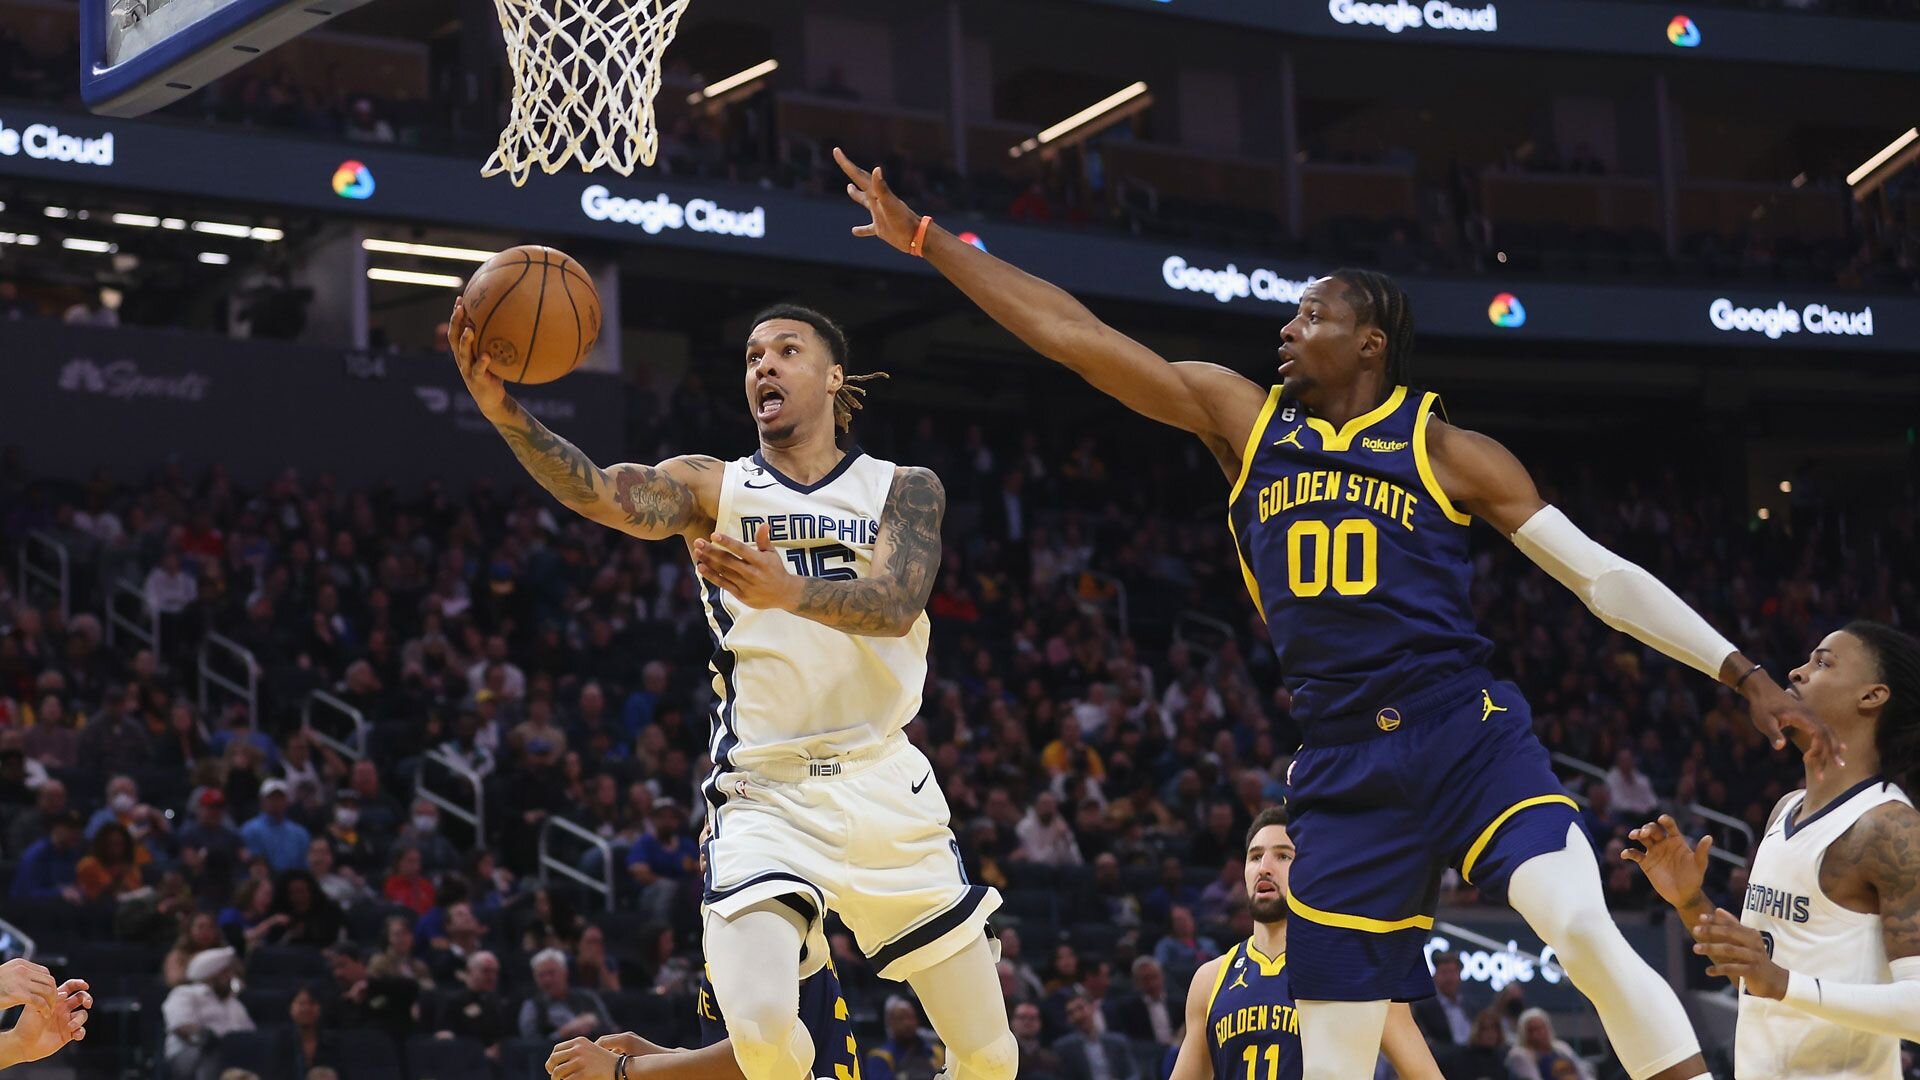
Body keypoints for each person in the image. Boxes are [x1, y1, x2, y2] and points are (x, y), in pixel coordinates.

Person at [838, 149, 1835, 1080]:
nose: (1286, 328)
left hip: (1464, 731)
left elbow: (1599, 578)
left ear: (1369, 341)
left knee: (1579, 927)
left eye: (1308, 316)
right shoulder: (1244, 423)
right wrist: (928, 240)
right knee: (1335, 1054)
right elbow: (1078, 338)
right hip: (1343, 764)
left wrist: (1739, 672)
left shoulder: (1446, 449)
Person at [452, 298, 1010, 1080]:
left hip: (886, 785)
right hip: (767, 793)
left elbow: (896, 605)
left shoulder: (903, 489)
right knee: (760, 1031)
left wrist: (789, 592)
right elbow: (601, 492)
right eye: (752, 356)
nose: (764, 366)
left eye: (785, 351)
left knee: (991, 1057)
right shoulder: (715, 488)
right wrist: (502, 409)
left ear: (834, 377)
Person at [1627, 623, 1920, 1078]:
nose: (1797, 673)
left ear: (1872, 696)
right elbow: (1755, 979)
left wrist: (1782, 982)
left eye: (1822, 663)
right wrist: (1689, 901)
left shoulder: (1889, 826)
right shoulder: (1786, 809)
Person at [1167, 807, 1438, 1080]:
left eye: (1283, 855)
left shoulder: (1360, 972)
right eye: (1256, 856)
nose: (1264, 868)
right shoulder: (1210, 979)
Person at [546, 956, 862, 1080]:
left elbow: (765, 1055)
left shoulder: (753, 917)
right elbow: (733, 1067)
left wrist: (623, 1070)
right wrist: (651, 1053)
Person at [162, 947, 254, 1080]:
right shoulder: (185, 994)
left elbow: (249, 1033)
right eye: (225, 973)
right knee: (211, 1049)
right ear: (211, 975)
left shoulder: (234, 1003)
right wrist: (207, 1037)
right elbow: (181, 1026)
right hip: (190, 1055)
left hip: (232, 1056)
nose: (231, 978)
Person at [519, 948, 612, 1043]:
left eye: (551, 973)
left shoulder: (587, 997)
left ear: (565, 972)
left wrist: (593, 1024)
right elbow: (531, 1046)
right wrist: (564, 1032)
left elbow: (611, 1030)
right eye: (541, 975)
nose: (547, 980)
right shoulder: (532, 1007)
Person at [1052, 992, 1133, 1080]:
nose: (1077, 1015)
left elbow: (1132, 1074)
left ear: (1092, 1008)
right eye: (1071, 1013)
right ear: (1068, 1019)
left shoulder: (1118, 1041)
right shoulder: (1063, 1047)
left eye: (1081, 1008)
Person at [240, 779, 310, 873]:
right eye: (271, 798)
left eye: (280, 798)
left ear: (287, 801)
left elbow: (304, 864)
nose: (276, 802)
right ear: (262, 800)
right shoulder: (249, 830)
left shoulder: (299, 833)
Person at [1503, 1009, 1593, 1080]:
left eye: (1539, 1028)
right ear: (1523, 1033)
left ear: (1547, 1028)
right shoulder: (1519, 1055)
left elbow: (1583, 1073)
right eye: (1531, 1030)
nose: (1536, 1034)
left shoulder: (1562, 1048)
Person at [867, 997, 941, 1080]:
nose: (907, 1023)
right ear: (890, 1023)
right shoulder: (880, 1057)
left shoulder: (936, 1053)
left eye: (910, 1017)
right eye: (900, 1019)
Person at [1411, 953, 1472, 1048]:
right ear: (1435, 976)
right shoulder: (1423, 1008)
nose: (1449, 978)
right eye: (1444, 972)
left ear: (1459, 975)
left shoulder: (1472, 1005)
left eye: (1452, 972)